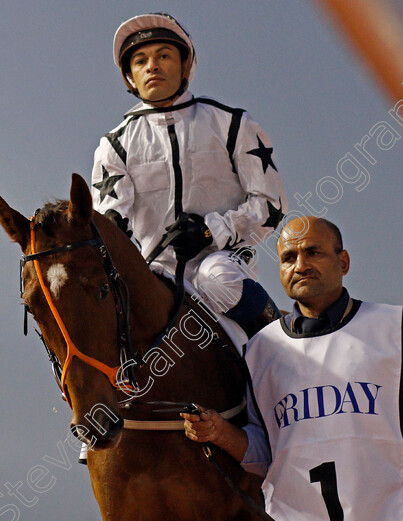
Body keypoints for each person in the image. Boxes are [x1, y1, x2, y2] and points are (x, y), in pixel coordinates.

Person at [182, 216, 403, 521]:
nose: (301, 265)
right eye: (288, 258)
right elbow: (267, 454)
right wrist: (219, 432)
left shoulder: (391, 328)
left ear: (344, 261)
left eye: (313, 252)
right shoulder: (260, 350)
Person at [91, 13, 288, 336]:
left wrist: (211, 232)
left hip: (223, 264)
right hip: (153, 274)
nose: (152, 66)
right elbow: (110, 223)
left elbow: (271, 204)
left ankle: (279, 339)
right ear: (130, 78)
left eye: (163, 56)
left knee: (216, 277)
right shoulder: (114, 146)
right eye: (140, 61)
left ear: (185, 66)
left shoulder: (233, 123)